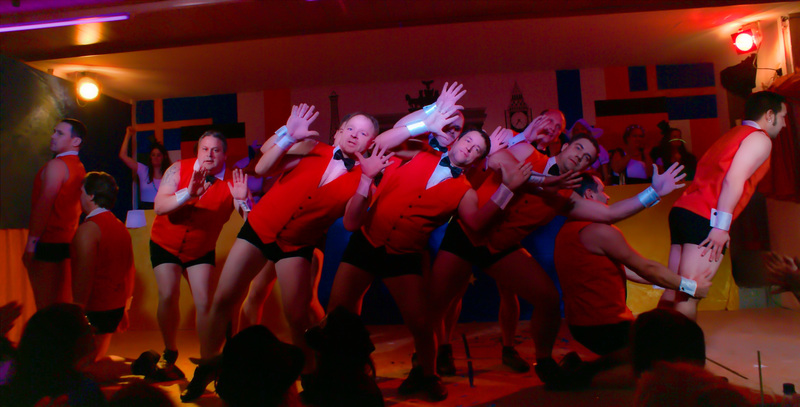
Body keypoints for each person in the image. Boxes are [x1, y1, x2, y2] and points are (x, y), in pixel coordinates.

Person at [428, 128, 686, 387]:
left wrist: (654, 192)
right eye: (578, 148)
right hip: (467, 233)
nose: (580, 156)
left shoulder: (565, 197)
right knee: (436, 302)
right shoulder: (529, 152)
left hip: (499, 248)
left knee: (548, 298)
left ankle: (544, 362)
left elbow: (609, 214)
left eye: (587, 157)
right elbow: (498, 160)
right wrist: (546, 182)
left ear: (586, 167)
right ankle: (427, 363)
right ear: (564, 147)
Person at [187, 105, 391, 402]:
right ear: (338, 133)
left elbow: (350, 222)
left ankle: (310, 380)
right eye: (350, 129)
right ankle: (208, 367)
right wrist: (287, 136)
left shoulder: (365, 177)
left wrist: (366, 180)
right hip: (260, 228)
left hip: (297, 244)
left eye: (362, 133)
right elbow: (262, 168)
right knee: (223, 299)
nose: (354, 135)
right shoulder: (312, 148)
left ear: (370, 143)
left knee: (297, 316)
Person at [327, 111, 533, 401]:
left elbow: (477, 223)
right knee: (337, 313)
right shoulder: (418, 152)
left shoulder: (465, 191)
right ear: (456, 141)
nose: (470, 148)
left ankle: (428, 375)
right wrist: (426, 120)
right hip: (366, 242)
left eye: (477, 149)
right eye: (468, 141)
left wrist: (507, 190)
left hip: (403, 256)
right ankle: (339, 374)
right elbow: (384, 140)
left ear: (478, 160)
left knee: (422, 324)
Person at [551, 174, 711, 384]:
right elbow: (646, 268)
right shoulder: (598, 231)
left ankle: (583, 370)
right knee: (672, 346)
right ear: (589, 194)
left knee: (648, 340)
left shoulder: (568, 230)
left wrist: (668, 281)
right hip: (604, 326)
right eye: (602, 191)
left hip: (583, 325)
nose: (608, 197)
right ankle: (580, 377)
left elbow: (629, 269)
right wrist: (691, 287)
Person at [659, 91, 787, 320]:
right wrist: (721, 226)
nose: (785, 124)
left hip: (683, 210)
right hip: (705, 215)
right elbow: (733, 179)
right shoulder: (759, 138)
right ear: (770, 115)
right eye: (783, 116)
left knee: (674, 290)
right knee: (688, 294)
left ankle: (653, 340)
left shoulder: (733, 134)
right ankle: (679, 343)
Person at [147, 130, 249, 384]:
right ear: (197, 151)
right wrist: (189, 194)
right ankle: (170, 351)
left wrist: (244, 201)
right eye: (205, 149)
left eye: (216, 150)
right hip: (165, 244)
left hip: (200, 250)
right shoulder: (177, 169)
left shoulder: (233, 180)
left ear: (224, 155)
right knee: (168, 294)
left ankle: (207, 361)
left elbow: (252, 222)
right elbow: (159, 206)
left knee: (205, 303)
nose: (209, 154)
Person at [71, 172, 135, 368]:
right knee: (95, 360)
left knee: (83, 367)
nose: (79, 196)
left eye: (81, 191)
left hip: (95, 309)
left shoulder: (89, 229)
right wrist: (125, 307)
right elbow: (129, 269)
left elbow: (84, 274)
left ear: (91, 195)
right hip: (114, 308)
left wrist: (77, 312)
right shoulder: (119, 226)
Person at [24, 118, 88, 311]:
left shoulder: (57, 165)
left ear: (75, 141)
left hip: (48, 242)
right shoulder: (79, 167)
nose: (53, 136)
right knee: (61, 306)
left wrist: (31, 243)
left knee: (46, 307)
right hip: (68, 242)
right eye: (54, 131)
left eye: (59, 133)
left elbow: (44, 204)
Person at [2, 303, 105, 407]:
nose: (93, 329)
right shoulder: (83, 392)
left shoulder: (12, 375)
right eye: (87, 326)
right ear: (70, 340)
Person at [118, 126, 172, 209]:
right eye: (153, 155)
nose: (156, 158)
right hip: (146, 210)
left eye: (158, 155)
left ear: (164, 157)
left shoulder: (169, 174)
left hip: (164, 209)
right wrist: (128, 134)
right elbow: (123, 155)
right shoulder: (143, 170)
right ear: (150, 157)